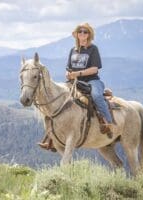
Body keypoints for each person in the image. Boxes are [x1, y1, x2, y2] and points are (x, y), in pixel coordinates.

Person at [38, 23, 113, 151]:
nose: (82, 34)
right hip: (74, 83)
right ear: (77, 35)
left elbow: (94, 69)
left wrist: (78, 73)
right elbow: (68, 68)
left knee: (96, 96)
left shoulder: (93, 49)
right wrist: (68, 73)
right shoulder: (73, 50)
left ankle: (108, 122)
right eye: (80, 32)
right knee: (58, 100)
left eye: (85, 32)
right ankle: (52, 137)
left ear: (89, 35)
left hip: (91, 81)